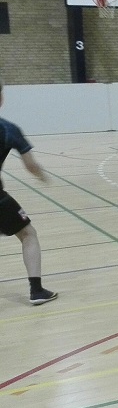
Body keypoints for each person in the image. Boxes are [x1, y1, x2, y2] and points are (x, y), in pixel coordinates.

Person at [0, 80, 58, 305]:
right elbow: (31, 165)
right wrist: (42, 176)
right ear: (1, 98)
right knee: (28, 234)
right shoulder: (8, 129)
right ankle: (37, 290)